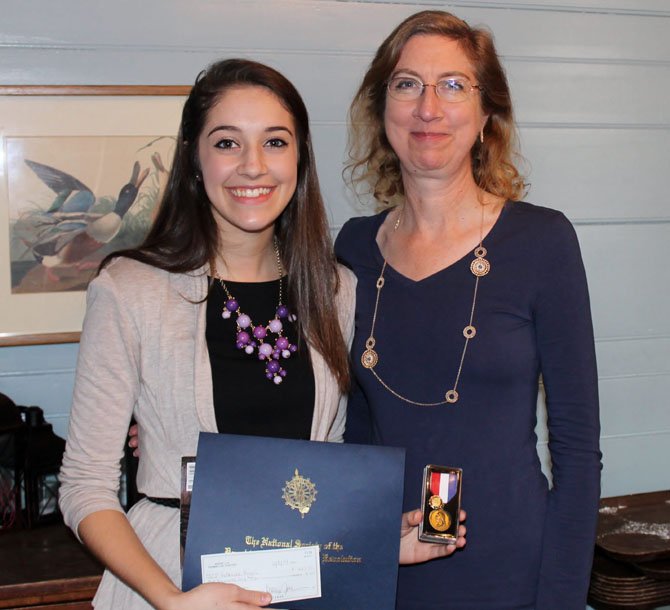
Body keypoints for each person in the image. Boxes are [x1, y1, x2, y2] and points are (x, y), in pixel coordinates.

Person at [59, 58, 464, 610]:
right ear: (194, 160)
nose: (254, 166)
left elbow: (320, 475)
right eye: (227, 144)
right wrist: (169, 599)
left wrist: (375, 542)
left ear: (299, 158)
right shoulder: (130, 291)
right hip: (171, 584)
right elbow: (84, 485)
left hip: (304, 583)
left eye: (275, 142)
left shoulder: (335, 290)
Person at [335, 10, 601, 610]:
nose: (428, 108)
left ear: (486, 115)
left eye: (453, 85)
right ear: (383, 111)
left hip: (512, 573)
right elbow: (345, 423)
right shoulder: (351, 247)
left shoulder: (542, 243)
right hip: (385, 567)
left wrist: (559, 598)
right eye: (407, 84)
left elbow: (578, 449)